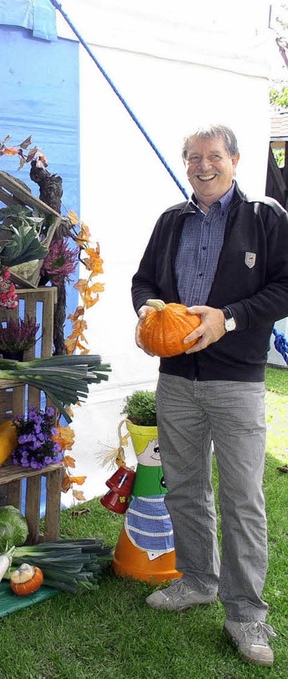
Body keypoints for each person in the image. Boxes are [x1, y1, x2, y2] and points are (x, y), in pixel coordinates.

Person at [131, 124, 288, 667]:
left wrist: (231, 318)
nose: (203, 166)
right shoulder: (171, 221)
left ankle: (246, 615)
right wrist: (149, 313)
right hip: (176, 379)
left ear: (235, 160)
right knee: (186, 486)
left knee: (242, 499)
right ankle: (198, 579)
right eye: (193, 157)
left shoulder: (266, 218)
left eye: (214, 156)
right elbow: (143, 281)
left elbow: (286, 285)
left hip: (236, 379)